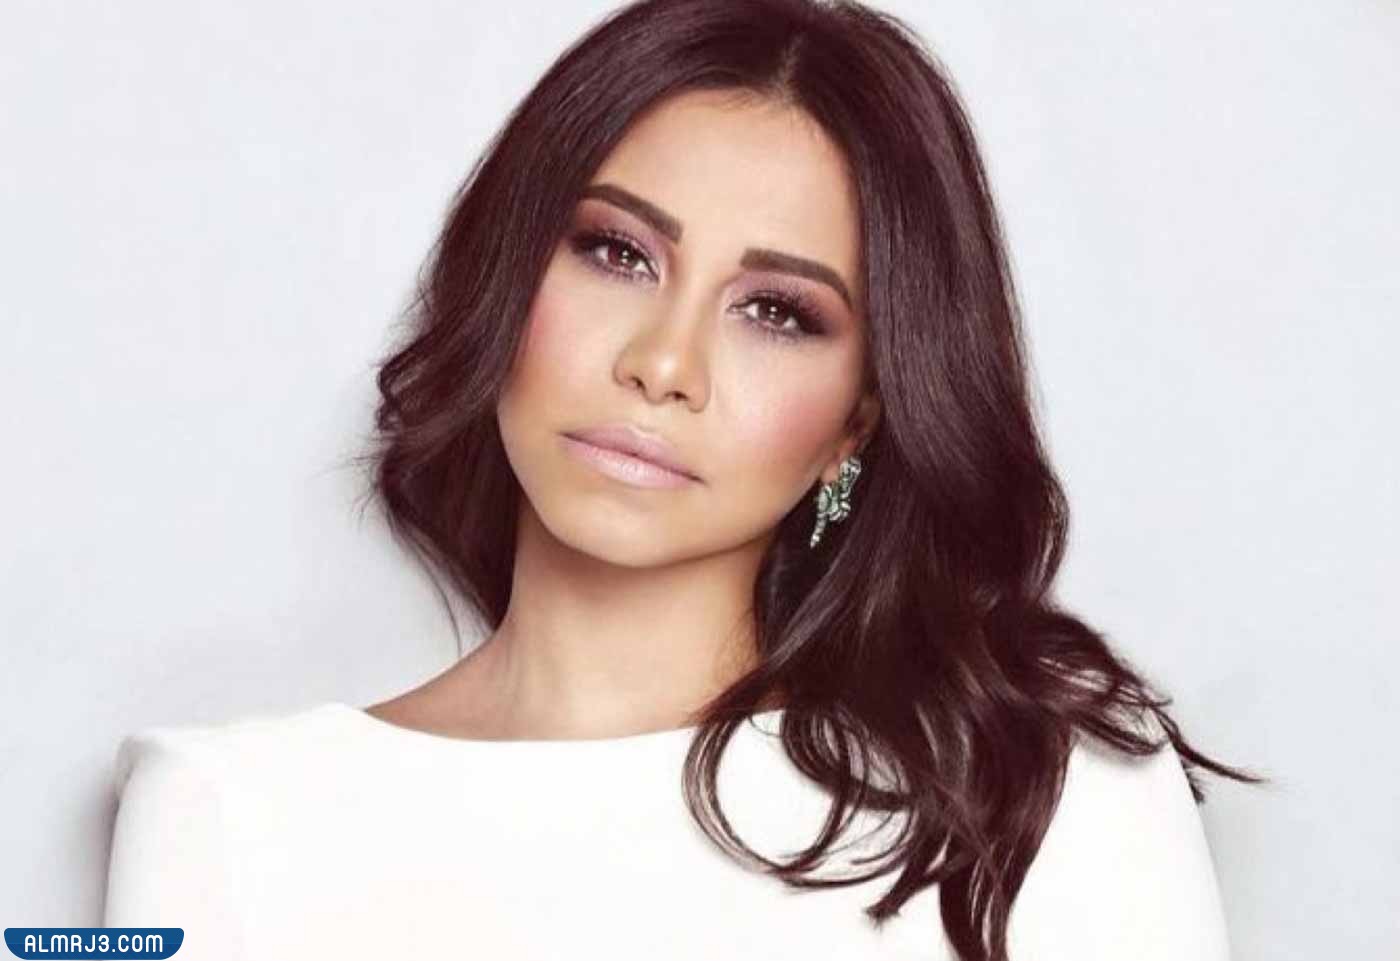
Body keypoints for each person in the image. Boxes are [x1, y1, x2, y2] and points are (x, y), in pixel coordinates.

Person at [101, 1, 1266, 958]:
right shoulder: (231, 811)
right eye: (616, 252)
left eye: (777, 312)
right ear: (510, 275)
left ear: (856, 422)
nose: (662, 365)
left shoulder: (1036, 790)